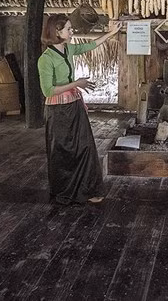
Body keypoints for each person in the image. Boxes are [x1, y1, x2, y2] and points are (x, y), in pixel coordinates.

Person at [38, 14, 120, 205]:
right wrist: (77, 83)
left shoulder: (68, 49)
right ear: (57, 32)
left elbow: (90, 45)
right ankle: (64, 193)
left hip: (74, 106)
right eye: (68, 28)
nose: (72, 31)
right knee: (62, 152)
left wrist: (111, 33)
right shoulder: (46, 59)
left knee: (85, 147)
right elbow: (48, 90)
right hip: (58, 112)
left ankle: (87, 190)